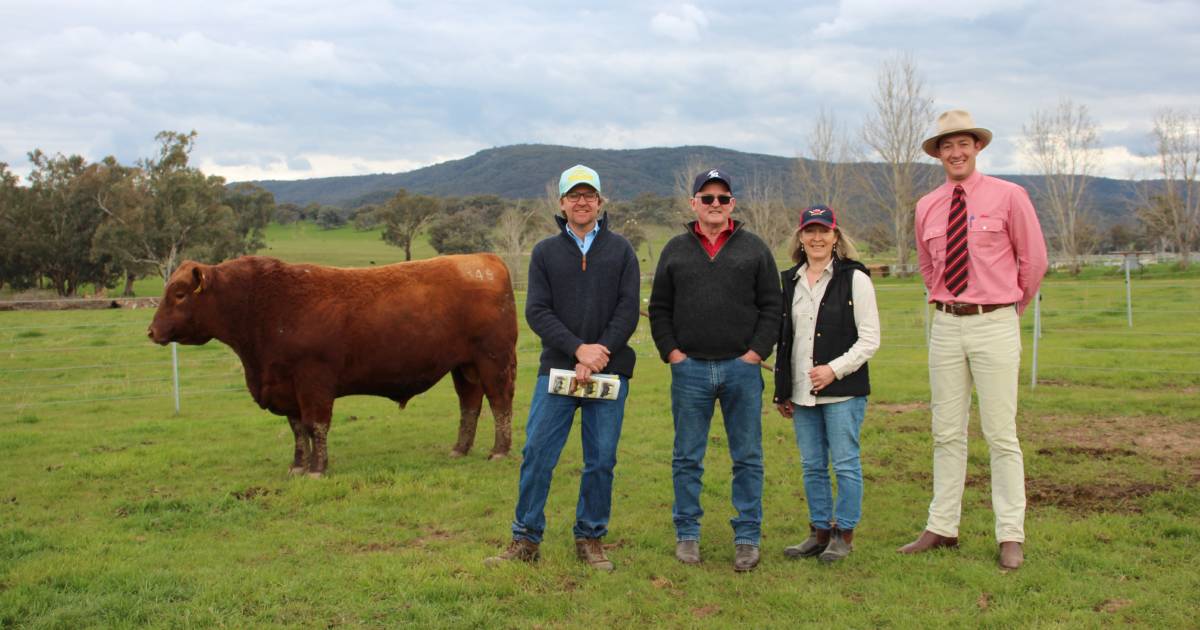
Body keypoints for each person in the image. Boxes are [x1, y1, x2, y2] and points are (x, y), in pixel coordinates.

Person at [899, 110, 1048, 570]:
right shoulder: (926, 205)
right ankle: (942, 526)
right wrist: (947, 303)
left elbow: (1034, 260)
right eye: (947, 146)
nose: (956, 153)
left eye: (963, 143)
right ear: (938, 153)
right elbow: (928, 267)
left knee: (1001, 434)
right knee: (946, 431)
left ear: (977, 147)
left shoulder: (1009, 196)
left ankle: (1010, 534)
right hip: (945, 324)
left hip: (995, 321)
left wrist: (1007, 309)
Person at [485, 164, 641, 571]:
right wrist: (577, 350)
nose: (582, 202)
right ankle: (525, 539)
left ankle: (590, 537)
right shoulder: (545, 253)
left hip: (608, 370)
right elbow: (537, 310)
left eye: (589, 195)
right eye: (575, 195)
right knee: (537, 453)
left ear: (600, 202)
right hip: (558, 370)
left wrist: (599, 351)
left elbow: (628, 310)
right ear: (562, 203)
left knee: (601, 459)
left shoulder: (622, 250)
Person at [649, 168, 782, 572]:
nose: (715, 205)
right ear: (694, 204)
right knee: (687, 457)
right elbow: (659, 309)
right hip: (689, 370)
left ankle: (747, 538)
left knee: (748, 457)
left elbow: (772, 307)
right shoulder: (674, 249)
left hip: (741, 369)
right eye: (707, 198)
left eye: (722, 198)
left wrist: (756, 353)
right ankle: (687, 534)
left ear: (732, 205)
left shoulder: (754, 249)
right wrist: (672, 353)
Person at [773, 205, 880, 564]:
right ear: (800, 237)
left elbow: (869, 340)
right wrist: (782, 389)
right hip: (802, 394)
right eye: (810, 231)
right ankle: (818, 532)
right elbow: (786, 339)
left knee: (846, 463)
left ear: (836, 236)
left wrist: (834, 370)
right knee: (812, 465)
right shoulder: (789, 280)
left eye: (824, 231)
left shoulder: (855, 279)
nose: (817, 238)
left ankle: (843, 534)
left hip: (843, 391)